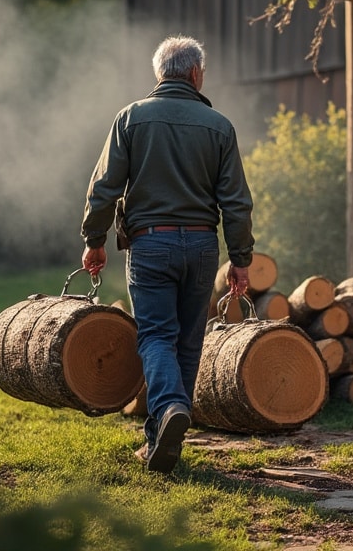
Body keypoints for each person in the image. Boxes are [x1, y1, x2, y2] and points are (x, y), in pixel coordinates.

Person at [80, 35, 254, 474]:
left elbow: (104, 188)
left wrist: (94, 238)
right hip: (200, 246)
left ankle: (170, 410)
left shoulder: (131, 118)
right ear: (196, 75)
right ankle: (161, 439)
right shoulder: (219, 126)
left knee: (156, 336)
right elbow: (236, 202)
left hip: (150, 244)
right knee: (189, 343)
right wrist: (241, 257)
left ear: (160, 74)